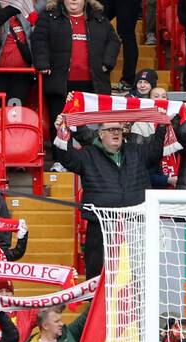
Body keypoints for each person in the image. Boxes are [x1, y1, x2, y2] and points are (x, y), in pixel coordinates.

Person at [53, 118, 167, 277]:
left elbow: (155, 152)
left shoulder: (136, 151)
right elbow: (67, 158)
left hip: (134, 223)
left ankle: (137, 301)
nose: (115, 132)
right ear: (100, 134)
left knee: (138, 271)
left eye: (118, 129)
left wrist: (161, 126)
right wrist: (63, 131)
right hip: (100, 225)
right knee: (97, 272)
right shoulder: (88, 155)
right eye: (111, 129)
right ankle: (94, 301)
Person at [32, 0, 120, 139]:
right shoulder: (50, 17)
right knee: (60, 121)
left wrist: (108, 62)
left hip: (93, 82)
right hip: (60, 81)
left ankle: (92, 157)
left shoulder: (99, 18)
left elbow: (114, 40)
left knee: (91, 125)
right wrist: (43, 63)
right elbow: (39, 40)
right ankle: (60, 159)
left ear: (85, 1)